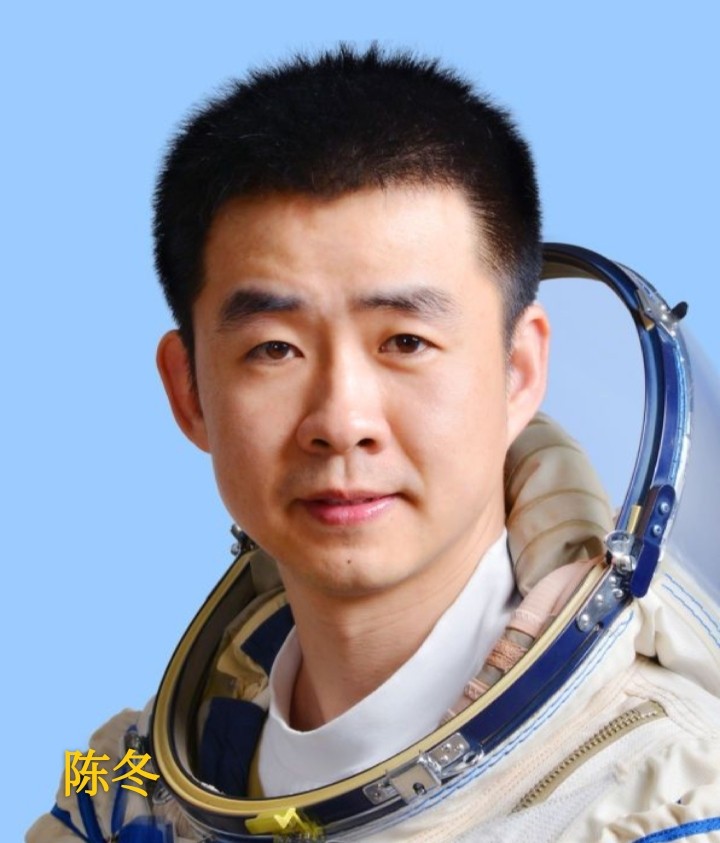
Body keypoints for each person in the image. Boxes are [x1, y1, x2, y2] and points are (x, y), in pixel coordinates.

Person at [28, 45, 720, 843]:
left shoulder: (660, 802)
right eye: (275, 348)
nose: (341, 418)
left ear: (519, 371)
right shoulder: (126, 789)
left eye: (405, 341)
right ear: (189, 392)